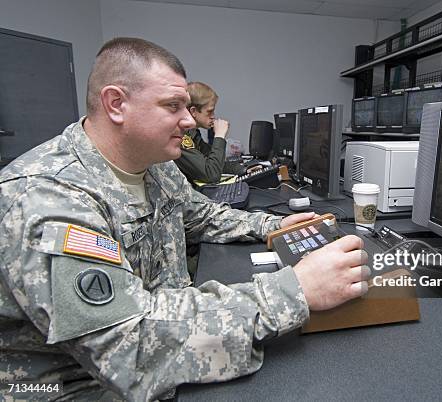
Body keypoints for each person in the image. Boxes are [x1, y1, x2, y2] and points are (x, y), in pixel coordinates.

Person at [0, 37, 369, 401]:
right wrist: (296, 289)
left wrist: (270, 225)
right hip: (78, 385)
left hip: (155, 353)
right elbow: (132, 346)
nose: (190, 121)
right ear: (116, 104)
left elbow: (199, 214)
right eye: (173, 105)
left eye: (189, 107)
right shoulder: (46, 198)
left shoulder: (153, 165)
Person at [174, 81, 245, 184]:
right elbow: (211, 175)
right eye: (209, 112)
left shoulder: (193, 133)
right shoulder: (180, 136)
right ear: (193, 111)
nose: (213, 116)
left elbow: (214, 163)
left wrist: (244, 169)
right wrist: (219, 136)